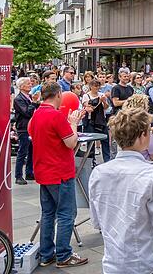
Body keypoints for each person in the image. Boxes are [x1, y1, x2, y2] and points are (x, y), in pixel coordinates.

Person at [89, 107, 153, 274]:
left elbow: (97, 221)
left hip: (113, 262)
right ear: (142, 136)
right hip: (145, 261)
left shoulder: (98, 172)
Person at [27, 82, 88, 268]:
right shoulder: (55, 116)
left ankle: (47, 254)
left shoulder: (36, 114)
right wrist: (73, 123)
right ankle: (63, 254)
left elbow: (32, 133)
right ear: (58, 94)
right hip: (59, 171)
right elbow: (71, 143)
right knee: (66, 214)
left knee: (48, 213)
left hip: (43, 171)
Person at [121, 94, 153, 162]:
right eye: (147, 105)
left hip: (125, 161)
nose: (148, 107)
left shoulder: (122, 124)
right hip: (144, 163)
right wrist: (151, 135)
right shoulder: (145, 126)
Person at [14, 77, 38, 185]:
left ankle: (29, 172)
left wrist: (35, 102)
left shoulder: (28, 97)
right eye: (28, 83)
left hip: (31, 127)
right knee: (22, 152)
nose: (30, 84)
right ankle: (18, 175)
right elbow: (27, 112)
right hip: (23, 128)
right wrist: (33, 103)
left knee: (32, 151)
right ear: (22, 86)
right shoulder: (18, 99)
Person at [82, 80, 111, 163]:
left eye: (98, 86)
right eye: (95, 86)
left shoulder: (102, 95)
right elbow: (90, 108)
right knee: (90, 142)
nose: (97, 88)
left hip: (101, 120)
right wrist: (99, 101)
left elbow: (106, 107)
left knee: (105, 140)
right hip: (90, 120)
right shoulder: (86, 96)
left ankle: (107, 160)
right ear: (91, 87)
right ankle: (91, 161)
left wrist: (104, 101)